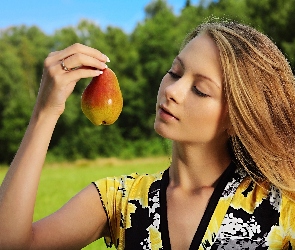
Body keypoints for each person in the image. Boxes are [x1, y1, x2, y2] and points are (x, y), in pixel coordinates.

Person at [0, 19, 295, 250]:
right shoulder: (120, 200)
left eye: (200, 90)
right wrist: (44, 113)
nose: (171, 91)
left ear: (238, 117)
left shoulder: (283, 207)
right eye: (175, 73)